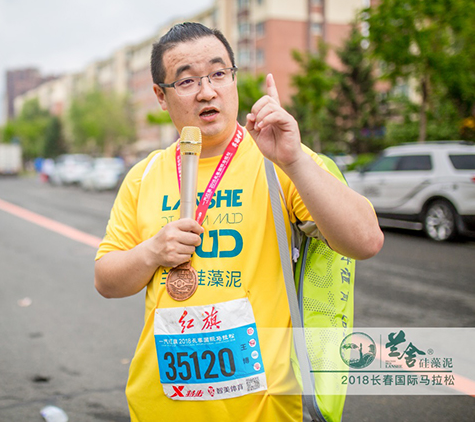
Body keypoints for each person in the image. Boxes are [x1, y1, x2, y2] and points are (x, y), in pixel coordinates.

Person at [94, 23, 384, 421]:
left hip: (265, 408)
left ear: (233, 79)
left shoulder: (279, 160)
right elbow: (106, 280)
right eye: (186, 80)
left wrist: (295, 159)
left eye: (218, 73)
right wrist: (151, 252)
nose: (206, 91)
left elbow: (366, 241)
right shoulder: (144, 176)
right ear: (160, 96)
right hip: (160, 406)